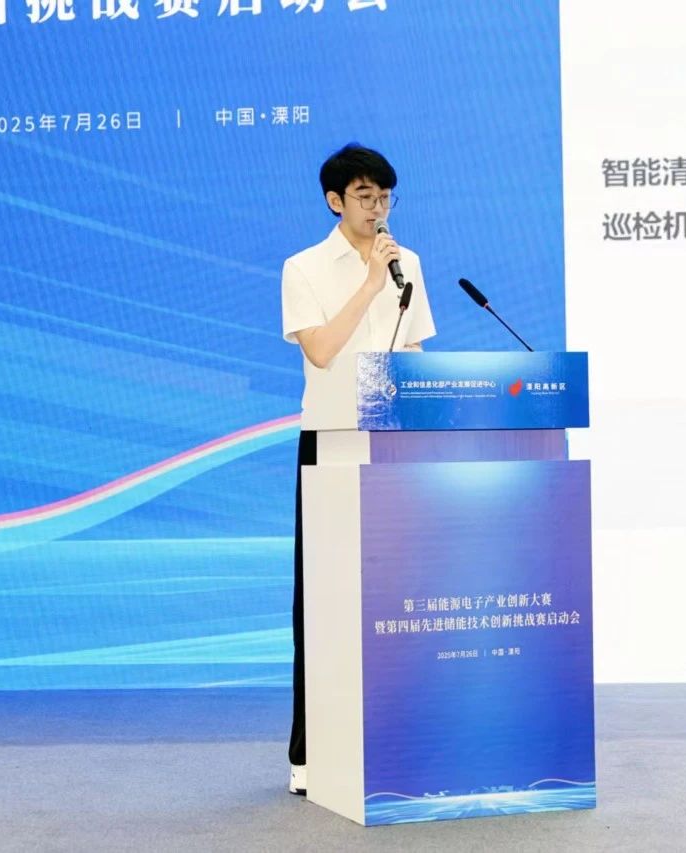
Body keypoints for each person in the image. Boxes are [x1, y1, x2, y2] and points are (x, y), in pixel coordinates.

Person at [280, 143, 436, 795]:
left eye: (385, 197)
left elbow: (416, 349)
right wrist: (370, 283)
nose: (378, 209)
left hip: (395, 443)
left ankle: (399, 742)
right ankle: (310, 755)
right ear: (335, 201)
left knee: (399, 599)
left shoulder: (409, 264)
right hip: (330, 442)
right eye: (365, 197)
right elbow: (320, 350)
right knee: (322, 602)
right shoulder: (304, 267)